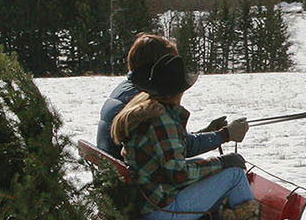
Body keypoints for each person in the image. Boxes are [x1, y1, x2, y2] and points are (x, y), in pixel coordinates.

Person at [108, 48, 293, 220]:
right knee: (233, 174)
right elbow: (177, 173)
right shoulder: (163, 121)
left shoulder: (145, 111)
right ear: (179, 91)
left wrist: (216, 143)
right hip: (164, 209)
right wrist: (221, 163)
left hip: (150, 198)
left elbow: (172, 156)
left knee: (223, 168)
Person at [97, 34, 246, 160]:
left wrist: (207, 132)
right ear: (159, 67)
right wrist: (224, 135)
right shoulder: (145, 100)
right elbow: (180, 147)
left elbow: (167, 141)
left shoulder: (126, 89)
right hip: (142, 187)